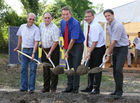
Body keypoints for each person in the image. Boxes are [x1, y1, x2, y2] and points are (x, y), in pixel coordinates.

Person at [103, 9, 129, 99]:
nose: (107, 17)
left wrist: (108, 54)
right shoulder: (109, 25)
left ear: (113, 15)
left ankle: (119, 92)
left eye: (108, 15)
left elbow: (114, 41)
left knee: (118, 69)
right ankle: (116, 90)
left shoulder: (117, 25)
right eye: (105, 16)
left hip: (122, 48)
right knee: (114, 70)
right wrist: (109, 52)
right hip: (116, 48)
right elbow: (112, 42)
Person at [81, 9, 106, 95]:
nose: (87, 18)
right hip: (93, 48)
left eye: (89, 16)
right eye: (86, 16)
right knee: (90, 68)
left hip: (98, 49)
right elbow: (91, 42)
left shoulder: (95, 26)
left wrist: (89, 53)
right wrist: (89, 52)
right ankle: (90, 87)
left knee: (96, 69)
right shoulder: (90, 25)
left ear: (93, 17)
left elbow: (95, 42)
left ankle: (96, 89)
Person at [14, 13, 40, 93]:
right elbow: (20, 37)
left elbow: (36, 42)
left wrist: (33, 53)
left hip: (33, 50)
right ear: (27, 18)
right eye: (30, 19)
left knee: (33, 70)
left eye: (33, 19)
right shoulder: (22, 27)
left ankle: (31, 88)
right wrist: (18, 47)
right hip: (24, 50)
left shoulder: (36, 29)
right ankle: (23, 88)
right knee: (23, 69)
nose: (31, 21)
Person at [61, 6, 85, 93]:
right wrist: (64, 47)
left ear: (70, 14)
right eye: (63, 14)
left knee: (75, 67)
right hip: (68, 46)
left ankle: (75, 88)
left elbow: (73, 39)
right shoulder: (62, 22)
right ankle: (69, 87)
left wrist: (67, 51)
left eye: (67, 14)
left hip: (77, 46)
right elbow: (65, 36)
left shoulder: (75, 23)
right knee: (68, 67)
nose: (65, 16)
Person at [40, 12, 60, 93]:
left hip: (53, 50)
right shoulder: (41, 25)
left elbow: (56, 42)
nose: (47, 19)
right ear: (43, 18)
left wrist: (50, 53)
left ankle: (53, 88)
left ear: (51, 18)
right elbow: (41, 36)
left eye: (49, 18)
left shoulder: (55, 28)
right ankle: (46, 87)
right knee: (45, 69)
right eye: (45, 18)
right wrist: (42, 44)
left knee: (53, 69)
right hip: (44, 50)